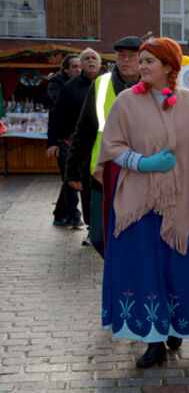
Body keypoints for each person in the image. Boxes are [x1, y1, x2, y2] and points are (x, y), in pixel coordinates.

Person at [94, 37, 189, 368]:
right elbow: (111, 147)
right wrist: (143, 163)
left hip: (183, 209)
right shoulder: (125, 103)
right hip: (139, 209)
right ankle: (152, 341)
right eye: (141, 61)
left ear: (170, 66)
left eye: (150, 61)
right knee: (145, 272)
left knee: (178, 271)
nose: (142, 67)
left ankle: (176, 326)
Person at [65, 36, 143, 256]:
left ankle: (128, 278)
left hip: (140, 173)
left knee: (136, 235)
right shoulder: (101, 84)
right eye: (121, 56)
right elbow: (84, 130)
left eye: (132, 57)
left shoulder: (152, 86)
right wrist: (72, 168)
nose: (125, 61)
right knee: (99, 235)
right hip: (103, 172)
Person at [47, 48, 104, 227]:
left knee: (100, 185)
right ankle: (83, 221)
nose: (90, 61)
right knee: (76, 182)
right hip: (74, 144)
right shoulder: (69, 87)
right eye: (86, 58)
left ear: (100, 63)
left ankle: (67, 215)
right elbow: (56, 115)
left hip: (104, 145)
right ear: (81, 64)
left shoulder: (110, 83)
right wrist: (53, 142)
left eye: (94, 57)